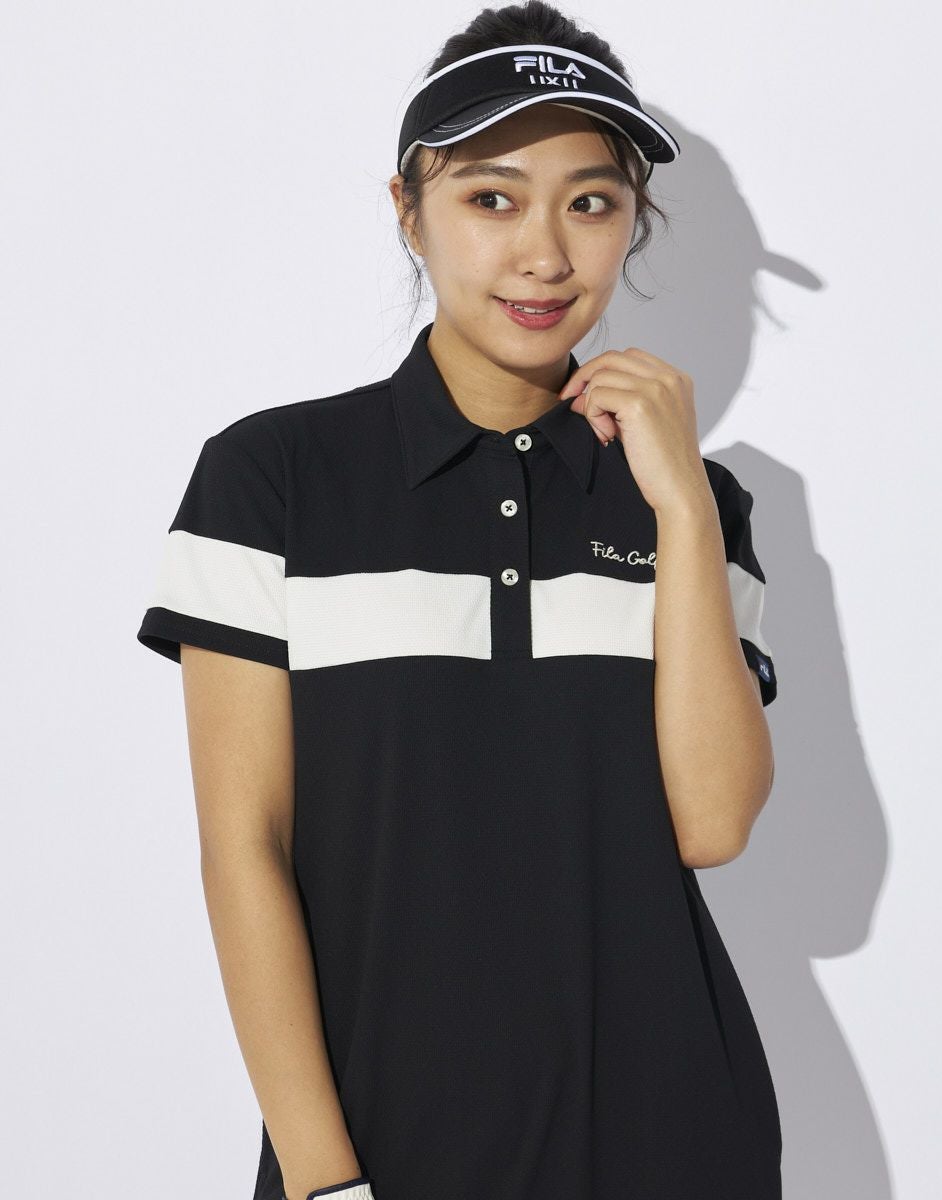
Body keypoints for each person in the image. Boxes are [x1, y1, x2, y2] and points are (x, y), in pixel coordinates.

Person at [136, 3, 782, 1198]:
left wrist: (685, 515)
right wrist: (323, 1179)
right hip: (381, 1154)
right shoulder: (271, 480)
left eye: (590, 202)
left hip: (674, 1142)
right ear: (408, 211)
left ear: (632, 219)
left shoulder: (698, 504)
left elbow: (710, 824)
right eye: (492, 198)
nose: (544, 255)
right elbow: (243, 848)